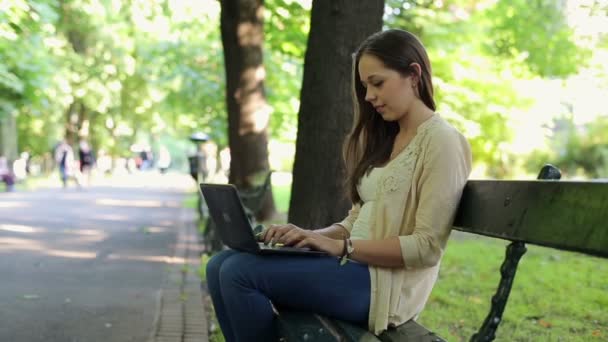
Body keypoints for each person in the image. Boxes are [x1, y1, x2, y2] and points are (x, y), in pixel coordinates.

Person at [205, 29, 472, 341]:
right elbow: (356, 220)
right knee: (219, 264)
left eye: (377, 83)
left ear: (413, 75)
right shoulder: (387, 138)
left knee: (238, 274)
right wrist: (308, 236)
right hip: (351, 268)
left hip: (384, 289)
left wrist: (342, 247)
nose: (369, 96)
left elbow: (426, 247)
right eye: (364, 86)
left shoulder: (443, 141)